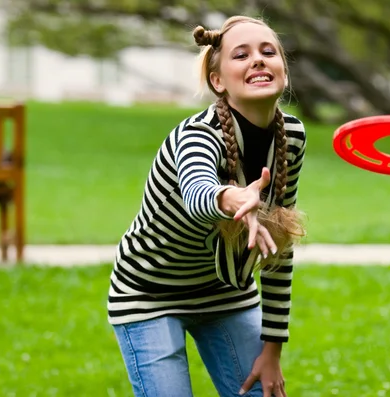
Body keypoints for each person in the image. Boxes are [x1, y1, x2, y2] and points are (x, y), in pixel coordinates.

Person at [108, 15, 307, 397]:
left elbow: (279, 250)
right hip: (149, 292)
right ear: (218, 81)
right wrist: (232, 198)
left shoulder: (292, 138)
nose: (258, 60)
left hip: (226, 292)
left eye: (269, 52)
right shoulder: (197, 135)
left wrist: (272, 349)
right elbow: (198, 191)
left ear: (283, 68)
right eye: (241, 55)